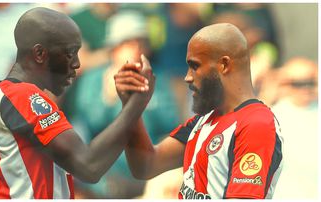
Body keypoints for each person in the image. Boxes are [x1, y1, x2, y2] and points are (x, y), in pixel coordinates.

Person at [0, 7, 154, 199]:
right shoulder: (21, 96)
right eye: (70, 53)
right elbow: (89, 166)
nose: (77, 63)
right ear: (40, 54)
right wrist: (136, 104)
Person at [114, 23, 283, 199]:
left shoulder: (256, 125)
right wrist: (131, 106)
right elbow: (146, 166)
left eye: (194, 66)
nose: (187, 77)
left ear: (224, 65)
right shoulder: (205, 120)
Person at [62, 10, 180, 198]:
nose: (136, 49)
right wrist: (109, 97)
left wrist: (142, 101)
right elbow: (87, 122)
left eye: (140, 42)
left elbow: (170, 123)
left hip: (149, 174)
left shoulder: (157, 78)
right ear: (114, 48)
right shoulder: (95, 78)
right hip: (106, 174)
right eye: (128, 43)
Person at [272, 57, 318, 199]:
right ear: (284, 84)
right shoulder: (272, 117)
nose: (305, 88)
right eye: (298, 83)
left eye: (310, 82)